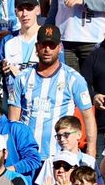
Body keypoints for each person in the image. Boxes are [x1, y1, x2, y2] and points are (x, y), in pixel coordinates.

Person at [8, 26, 96, 159]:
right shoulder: (22, 78)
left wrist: (91, 153)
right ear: (37, 47)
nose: (47, 49)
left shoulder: (73, 79)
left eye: (52, 45)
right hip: (26, 156)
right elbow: (13, 120)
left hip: (60, 158)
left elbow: (88, 117)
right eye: (44, 45)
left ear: (59, 47)